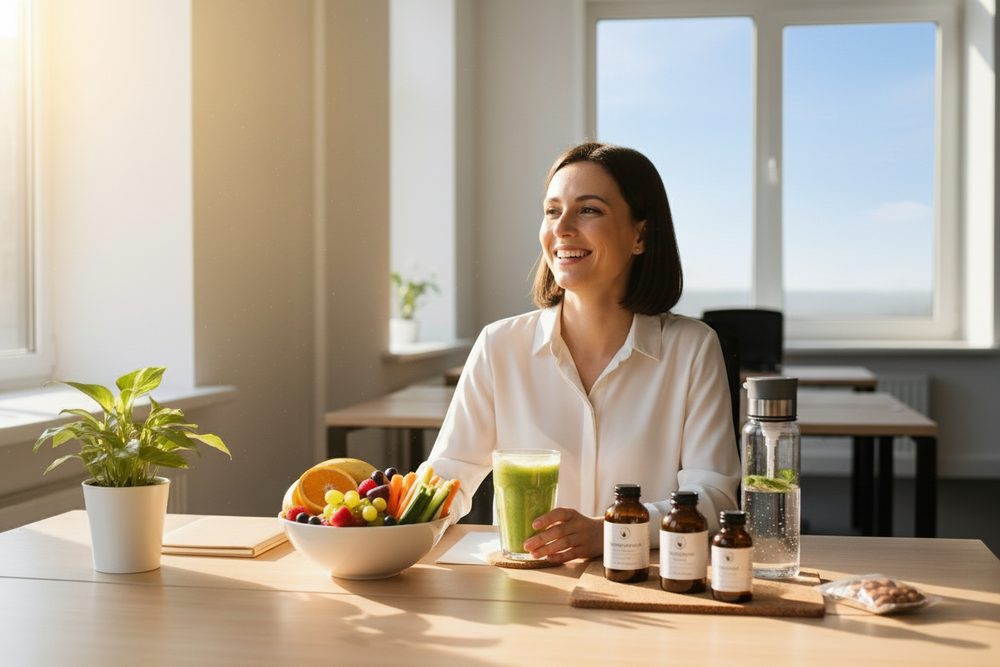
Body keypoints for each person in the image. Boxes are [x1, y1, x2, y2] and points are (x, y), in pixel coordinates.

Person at [426, 142, 740, 563]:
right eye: (553, 210)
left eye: (588, 210)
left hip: (645, 590)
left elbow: (715, 498)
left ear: (640, 235)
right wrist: (371, 525)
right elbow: (446, 480)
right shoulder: (500, 345)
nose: (562, 227)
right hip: (533, 591)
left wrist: (615, 531)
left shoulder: (693, 348)